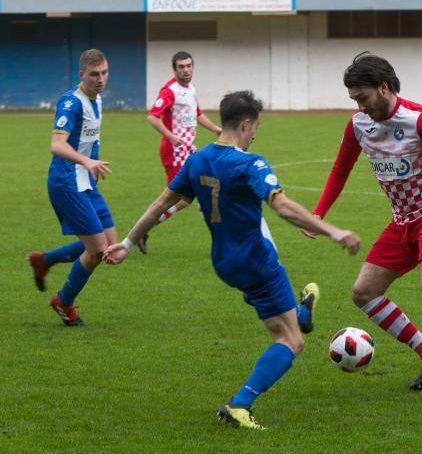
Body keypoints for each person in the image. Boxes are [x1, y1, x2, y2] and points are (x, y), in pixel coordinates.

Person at [103, 90, 360, 430]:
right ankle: (239, 405)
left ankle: (302, 313)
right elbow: (281, 206)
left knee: (282, 318)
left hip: (224, 264)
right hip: (257, 262)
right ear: (244, 123)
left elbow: (160, 203)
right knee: (290, 341)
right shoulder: (248, 163)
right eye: (256, 127)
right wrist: (332, 230)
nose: (255, 134)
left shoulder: (197, 160)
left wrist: (127, 242)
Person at [304, 52, 422, 396]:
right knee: (364, 293)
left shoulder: (420, 120)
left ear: (383, 88)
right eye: (354, 100)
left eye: (362, 98)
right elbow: (340, 171)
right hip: (401, 221)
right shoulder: (357, 124)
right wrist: (318, 214)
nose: (360, 107)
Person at [26, 49, 125, 326]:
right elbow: (56, 145)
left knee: (109, 241)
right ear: (81, 74)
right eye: (94, 74)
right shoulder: (71, 103)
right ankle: (63, 302)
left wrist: (90, 164)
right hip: (66, 182)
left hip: (86, 180)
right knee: (96, 251)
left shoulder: (98, 100)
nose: (101, 79)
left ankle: (45, 260)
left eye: (104, 72)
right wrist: (86, 161)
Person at [138, 51, 222, 253]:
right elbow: (152, 117)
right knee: (186, 196)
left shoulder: (190, 89)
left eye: (189, 65)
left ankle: (142, 230)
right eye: (181, 67)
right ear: (174, 69)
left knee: (187, 197)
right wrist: (170, 136)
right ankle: (220, 239)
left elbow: (198, 114)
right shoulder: (169, 91)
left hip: (189, 152)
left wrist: (217, 129)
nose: (186, 70)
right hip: (174, 153)